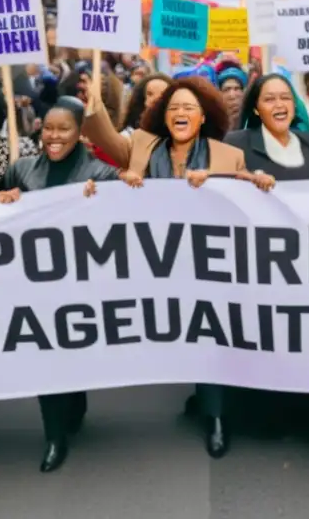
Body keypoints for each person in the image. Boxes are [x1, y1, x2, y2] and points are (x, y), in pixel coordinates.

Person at [81, 75, 272, 460]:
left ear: (203, 117)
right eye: (172, 108)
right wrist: (117, 177)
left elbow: (247, 193)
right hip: (157, 266)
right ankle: (202, 399)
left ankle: (215, 416)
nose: (180, 113)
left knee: (209, 337)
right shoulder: (140, 146)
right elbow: (100, 136)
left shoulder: (226, 155)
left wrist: (255, 179)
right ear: (161, 117)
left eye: (189, 108)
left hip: (210, 266)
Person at [0, 96, 134, 473]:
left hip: (81, 287)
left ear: (81, 134)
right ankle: (54, 437)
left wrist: (108, 197)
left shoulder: (100, 175)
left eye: (64, 129)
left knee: (73, 355)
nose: (53, 137)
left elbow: (122, 223)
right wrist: (7, 199)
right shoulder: (21, 170)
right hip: (36, 285)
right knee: (47, 361)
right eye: (48, 129)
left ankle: (75, 401)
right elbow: (4, 220)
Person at [223, 74, 309, 437]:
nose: (279, 105)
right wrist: (243, 179)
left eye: (285, 98)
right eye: (269, 99)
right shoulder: (236, 143)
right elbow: (218, 193)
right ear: (256, 107)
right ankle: (262, 413)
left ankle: (308, 408)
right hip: (260, 265)